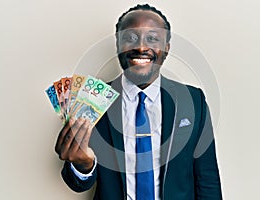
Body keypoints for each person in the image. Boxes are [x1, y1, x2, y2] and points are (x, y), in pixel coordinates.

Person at [55, 4, 222, 200]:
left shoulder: (193, 101)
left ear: (166, 48)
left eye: (152, 38)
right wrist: (83, 166)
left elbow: (207, 179)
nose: (141, 47)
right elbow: (77, 183)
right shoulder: (91, 101)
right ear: (118, 45)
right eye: (130, 38)